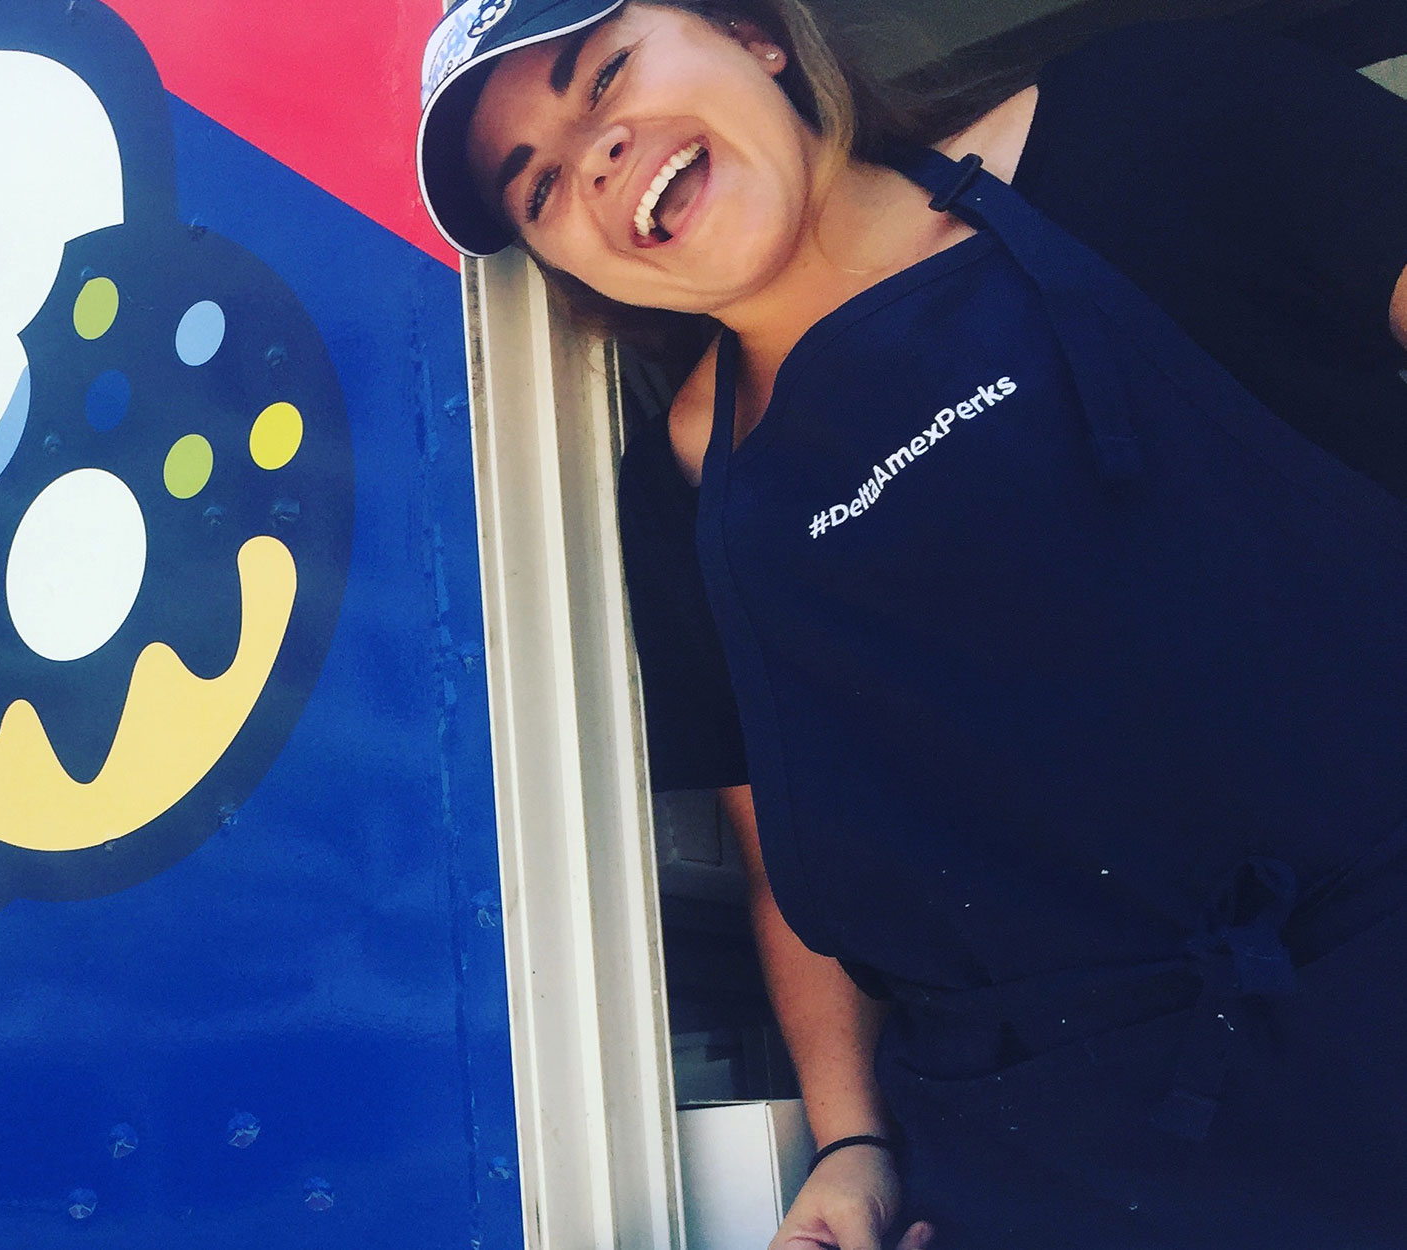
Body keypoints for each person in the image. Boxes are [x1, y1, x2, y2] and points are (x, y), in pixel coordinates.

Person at [415, 1, 1407, 1247]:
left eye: (603, 73)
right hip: (1072, 1163)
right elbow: (783, 862)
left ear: (754, 34)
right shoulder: (677, 495)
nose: (596, 154)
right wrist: (850, 1144)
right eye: (540, 186)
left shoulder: (1159, 117)